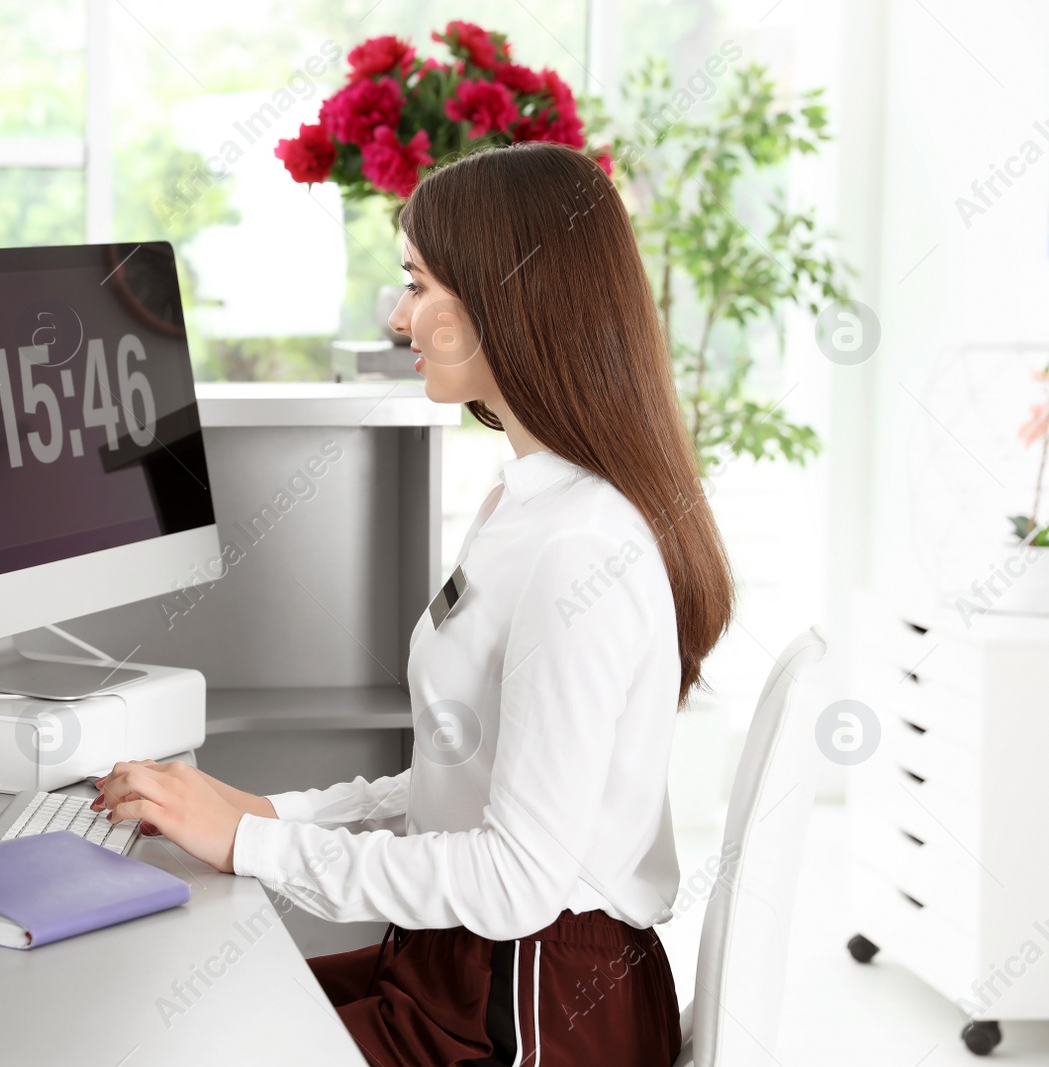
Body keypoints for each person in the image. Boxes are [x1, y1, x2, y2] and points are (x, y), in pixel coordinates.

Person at [92, 142, 733, 1067]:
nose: (399, 318)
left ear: (510, 300)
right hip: (463, 964)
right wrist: (269, 815)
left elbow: (515, 879)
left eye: (419, 284)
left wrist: (250, 846)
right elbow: (462, 776)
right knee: (183, 1013)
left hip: (539, 1002)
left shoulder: (581, 549)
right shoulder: (524, 499)